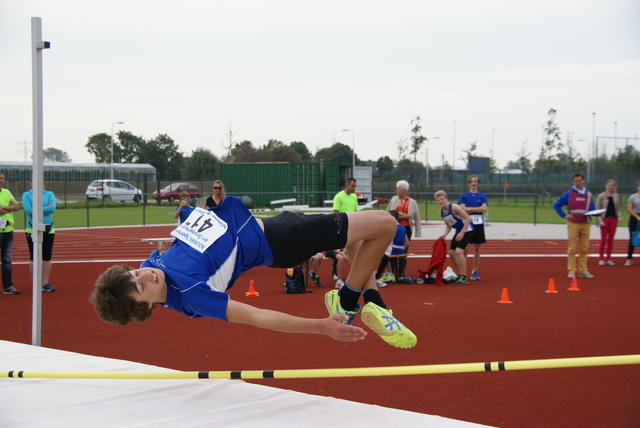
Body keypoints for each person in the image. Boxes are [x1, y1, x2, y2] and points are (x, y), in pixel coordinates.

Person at [90, 196, 417, 349]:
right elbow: (257, 316)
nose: (145, 276)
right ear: (146, 307)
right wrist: (320, 328)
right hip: (282, 241)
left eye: (135, 273)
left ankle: (372, 300)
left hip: (272, 227)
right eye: (141, 287)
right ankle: (347, 303)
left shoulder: (153, 265)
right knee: (385, 224)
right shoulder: (190, 295)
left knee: (359, 238)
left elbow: (183, 243)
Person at [553, 173, 596, 279]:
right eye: (576, 181)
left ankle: (583, 270)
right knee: (572, 248)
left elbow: (592, 208)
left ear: (583, 181)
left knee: (584, 248)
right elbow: (556, 204)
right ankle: (571, 270)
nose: (578, 183)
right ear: (573, 182)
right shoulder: (568, 194)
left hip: (585, 223)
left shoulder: (589, 195)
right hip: (573, 223)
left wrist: (596, 213)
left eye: (580, 180)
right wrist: (564, 215)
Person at [22, 181, 57, 292]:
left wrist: (37, 210)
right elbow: (28, 210)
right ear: (31, 183)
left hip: (48, 228)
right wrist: (45, 208)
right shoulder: (26, 195)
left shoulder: (49, 194)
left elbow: (52, 208)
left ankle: (45, 282)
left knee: (47, 257)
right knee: (34, 257)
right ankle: (35, 283)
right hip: (32, 228)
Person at [434, 190, 474, 285]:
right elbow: (448, 225)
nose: (440, 201)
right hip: (458, 231)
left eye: (442, 199)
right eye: (438, 200)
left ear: (446, 199)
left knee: (459, 251)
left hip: (468, 229)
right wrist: (444, 235)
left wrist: (462, 233)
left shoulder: (454, 207)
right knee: (451, 252)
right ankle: (460, 273)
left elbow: (468, 218)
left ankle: (464, 277)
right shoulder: (441, 213)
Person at [387, 180, 422, 278]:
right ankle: (392, 273)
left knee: (404, 250)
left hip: (406, 228)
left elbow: (415, 216)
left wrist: (418, 231)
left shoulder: (412, 202)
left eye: (398, 188)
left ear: (404, 190)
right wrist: (403, 215)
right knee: (392, 249)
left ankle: (401, 273)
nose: (396, 190)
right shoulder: (394, 199)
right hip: (394, 227)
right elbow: (390, 212)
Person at [458, 175, 488, 280]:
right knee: (465, 247)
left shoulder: (482, 196)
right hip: (467, 222)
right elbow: (462, 209)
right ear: (469, 183)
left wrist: (470, 209)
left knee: (477, 247)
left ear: (478, 183)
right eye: (472, 181)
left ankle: (475, 271)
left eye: (475, 181)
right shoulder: (464, 196)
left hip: (478, 222)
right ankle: (463, 271)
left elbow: (484, 209)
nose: (474, 183)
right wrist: (476, 208)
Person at [375, 210, 409, 286]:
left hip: (392, 249)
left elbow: (387, 240)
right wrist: (401, 250)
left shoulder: (391, 227)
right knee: (383, 254)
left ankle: (387, 273)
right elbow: (407, 243)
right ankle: (389, 273)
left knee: (378, 254)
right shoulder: (403, 228)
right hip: (400, 250)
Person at [0, 172, 20, 295]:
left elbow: (16, 206)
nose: (0, 180)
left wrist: (4, 208)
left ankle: (8, 286)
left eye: (2, 178)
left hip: (7, 231)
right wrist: (8, 207)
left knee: (7, 259)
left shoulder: (6, 192)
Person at [595, 179, 622, 266]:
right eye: (609, 185)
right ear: (606, 185)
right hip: (604, 219)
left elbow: (617, 208)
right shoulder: (601, 196)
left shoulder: (616, 196)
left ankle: (608, 258)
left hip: (613, 219)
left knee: (611, 240)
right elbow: (597, 210)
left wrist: (619, 216)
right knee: (603, 240)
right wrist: (600, 220)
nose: (610, 187)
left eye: (612, 186)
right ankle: (601, 258)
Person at [625, 181, 640, 266]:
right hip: (635, 218)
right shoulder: (632, 197)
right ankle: (629, 258)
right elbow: (629, 209)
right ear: (637, 187)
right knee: (633, 237)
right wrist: (637, 217)